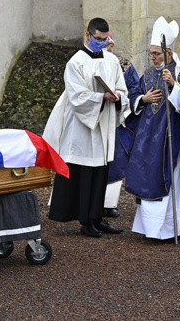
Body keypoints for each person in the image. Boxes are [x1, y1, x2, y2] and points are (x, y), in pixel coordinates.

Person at [43, 18, 130, 238]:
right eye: (98, 39)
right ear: (88, 35)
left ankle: (97, 217)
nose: (102, 43)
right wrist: (102, 97)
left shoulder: (111, 61)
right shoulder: (75, 62)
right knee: (84, 173)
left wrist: (118, 97)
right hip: (83, 127)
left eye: (105, 39)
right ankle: (85, 220)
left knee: (100, 172)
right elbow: (77, 97)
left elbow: (123, 89)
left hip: (105, 124)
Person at [125, 17, 180, 240]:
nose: (152, 58)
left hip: (171, 139)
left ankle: (169, 228)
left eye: (156, 54)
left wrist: (172, 86)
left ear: (168, 54)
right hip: (147, 141)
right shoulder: (148, 74)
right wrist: (142, 99)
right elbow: (134, 98)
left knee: (169, 179)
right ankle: (149, 228)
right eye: (151, 53)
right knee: (147, 176)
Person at [102, 35, 143, 218]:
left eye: (107, 44)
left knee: (115, 160)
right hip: (93, 118)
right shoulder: (85, 62)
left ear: (112, 46)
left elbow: (134, 90)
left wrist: (121, 100)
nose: (105, 48)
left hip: (116, 119)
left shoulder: (124, 65)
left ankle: (108, 203)